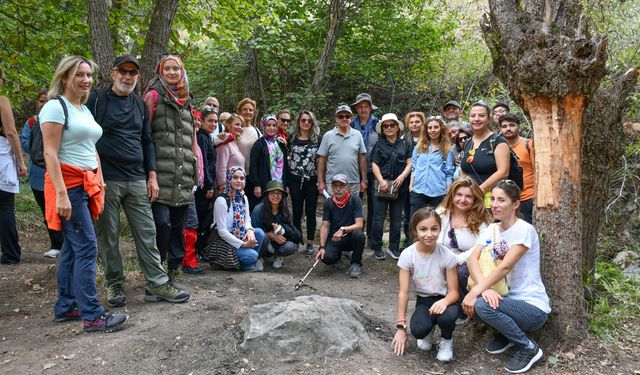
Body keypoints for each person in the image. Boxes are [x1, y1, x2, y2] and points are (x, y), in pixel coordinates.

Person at [88, 55, 190, 307]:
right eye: (123, 72)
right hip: (106, 179)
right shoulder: (97, 99)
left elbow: (147, 140)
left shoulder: (138, 103)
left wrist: (152, 175)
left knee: (147, 232)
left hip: (136, 177)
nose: (127, 77)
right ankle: (114, 285)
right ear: (113, 73)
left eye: (132, 73)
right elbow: (86, 136)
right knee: (109, 235)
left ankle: (157, 282)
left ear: (138, 77)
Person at [40, 55, 128, 332]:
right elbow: (50, 153)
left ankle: (66, 307)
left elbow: (91, 148)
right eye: (79, 74)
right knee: (88, 246)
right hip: (69, 186)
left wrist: (99, 180)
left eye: (89, 75)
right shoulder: (56, 107)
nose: (86, 80)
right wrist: (63, 195)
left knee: (72, 248)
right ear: (65, 77)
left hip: (87, 185)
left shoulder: (84, 109)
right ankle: (93, 315)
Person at [462, 180, 550, 374]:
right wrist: (483, 289)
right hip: (505, 298)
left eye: (501, 200)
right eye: (492, 199)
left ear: (516, 204)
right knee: (478, 298)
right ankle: (509, 334)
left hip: (531, 307)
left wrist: (476, 291)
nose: (494, 204)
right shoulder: (492, 229)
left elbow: (505, 266)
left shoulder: (524, 230)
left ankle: (527, 346)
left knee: (480, 304)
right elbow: (472, 259)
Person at [143, 55, 197, 282]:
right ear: (161, 71)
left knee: (178, 226)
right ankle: (157, 268)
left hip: (183, 175)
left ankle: (173, 270)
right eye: (168, 68)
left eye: (176, 68)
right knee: (161, 223)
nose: (172, 72)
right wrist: (148, 173)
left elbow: (191, 139)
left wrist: (196, 171)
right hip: (159, 175)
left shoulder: (187, 100)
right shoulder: (153, 95)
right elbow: (144, 135)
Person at [391, 207, 459, 362]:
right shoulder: (408, 254)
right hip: (424, 300)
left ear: (440, 229)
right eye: (423, 229)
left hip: (446, 299)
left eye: (434, 229)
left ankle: (446, 340)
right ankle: (428, 329)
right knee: (418, 330)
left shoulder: (447, 255)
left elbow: (454, 292)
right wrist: (401, 327)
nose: (429, 234)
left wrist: (445, 301)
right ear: (415, 231)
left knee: (446, 318)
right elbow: (403, 292)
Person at [436, 177, 491, 323]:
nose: (463, 199)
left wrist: (456, 260)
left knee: (459, 271)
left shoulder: (482, 219)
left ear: (475, 199)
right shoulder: (441, 213)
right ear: (452, 196)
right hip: (442, 257)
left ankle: (463, 310)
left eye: (468, 196)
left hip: (468, 261)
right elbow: (433, 237)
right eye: (459, 195)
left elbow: (481, 245)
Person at [21, 88, 64, 258]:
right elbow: (25, 143)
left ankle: (68, 244)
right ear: (37, 103)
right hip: (38, 175)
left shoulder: (62, 119)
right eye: (41, 100)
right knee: (47, 211)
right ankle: (56, 244)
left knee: (63, 209)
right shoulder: (31, 122)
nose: (44, 103)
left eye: (47, 100)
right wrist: (41, 147)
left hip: (61, 173)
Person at [370, 113, 412, 260]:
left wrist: (402, 176)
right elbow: (374, 163)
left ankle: (393, 248)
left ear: (397, 127)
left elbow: (409, 162)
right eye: (385, 126)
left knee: (396, 218)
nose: (389, 128)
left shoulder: (405, 144)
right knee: (378, 217)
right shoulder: (379, 144)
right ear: (382, 128)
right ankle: (377, 247)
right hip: (382, 186)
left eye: (391, 125)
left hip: (399, 186)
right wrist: (381, 181)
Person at [212, 167, 265, 271]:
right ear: (229, 179)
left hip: (239, 235)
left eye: (242, 178)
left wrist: (249, 230)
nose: (239, 181)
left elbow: (247, 219)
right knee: (252, 255)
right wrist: (243, 244)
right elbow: (222, 232)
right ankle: (246, 262)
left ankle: (248, 260)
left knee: (258, 233)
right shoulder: (221, 200)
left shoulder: (243, 197)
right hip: (224, 242)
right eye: (235, 177)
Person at [0, 69, 28, 265]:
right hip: (1, 156)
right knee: (4, 206)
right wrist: (20, 160)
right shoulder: (2, 100)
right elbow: (10, 131)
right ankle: (10, 253)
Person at [459, 102, 510, 208]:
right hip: (469, 201)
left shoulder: (498, 141)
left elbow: (503, 172)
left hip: (492, 202)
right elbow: (464, 169)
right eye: (473, 115)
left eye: (481, 115)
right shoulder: (468, 142)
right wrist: (464, 190)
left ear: (488, 119)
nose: (476, 119)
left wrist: (478, 191)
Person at [315, 174, 365, 278]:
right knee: (325, 257)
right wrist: (322, 247)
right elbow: (325, 226)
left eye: (341, 186)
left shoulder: (355, 200)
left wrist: (343, 230)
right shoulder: (329, 203)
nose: (338, 189)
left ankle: (355, 263)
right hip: (335, 238)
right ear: (332, 187)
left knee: (359, 235)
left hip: (351, 236)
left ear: (347, 187)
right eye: (335, 186)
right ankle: (336, 258)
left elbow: (359, 224)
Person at [288, 110, 322, 254]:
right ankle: (297, 240)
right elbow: (286, 157)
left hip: (311, 179)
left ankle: (309, 243)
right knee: (296, 211)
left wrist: (321, 180)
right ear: (298, 122)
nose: (306, 123)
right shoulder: (291, 138)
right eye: (303, 120)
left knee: (310, 211)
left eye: (309, 120)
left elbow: (321, 161)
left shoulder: (317, 139)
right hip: (295, 179)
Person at [317, 105, 367, 196]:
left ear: (351, 118)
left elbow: (362, 157)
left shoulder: (357, 135)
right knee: (334, 209)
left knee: (352, 208)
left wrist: (364, 180)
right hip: (333, 182)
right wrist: (320, 181)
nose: (344, 119)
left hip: (353, 182)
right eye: (341, 116)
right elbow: (322, 159)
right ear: (336, 119)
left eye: (347, 116)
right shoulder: (328, 136)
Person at [251, 180, 301, 270]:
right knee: (262, 236)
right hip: (263, 242)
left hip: (279, 242)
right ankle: (258, 257)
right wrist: (272, 236)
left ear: (282, 196)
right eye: (272, 193)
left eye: (278, 193)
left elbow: (291, 231)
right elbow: (254, 232)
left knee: (290, 246)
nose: (275, 196)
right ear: (267, 195)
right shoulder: (258, 210)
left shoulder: (287, 211)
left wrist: (282, 232)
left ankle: (278, 256)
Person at [409, 116, 455, 215]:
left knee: (438, 224)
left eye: (436, 127)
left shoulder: (447, 149)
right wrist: (411, 186)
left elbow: (449, 173)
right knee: (415, 223)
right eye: (430, 128)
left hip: (439, 193)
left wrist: (448, 192)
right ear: (426, 130)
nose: (432, 130)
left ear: (441, 129)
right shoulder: (419, 147)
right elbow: (414, 167)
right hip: (418, 191)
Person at [350, 93, 379, 245]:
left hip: (374, 170)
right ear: (356, 109)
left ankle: (372, 240)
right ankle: (356, 237)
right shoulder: (350, 124)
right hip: (355, 170)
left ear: (370, 108)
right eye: (360, 107)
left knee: (374, 205)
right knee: (355, 204)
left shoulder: (378, 125)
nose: (363, 109)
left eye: (366, 106)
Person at [499, 113, 534, 223]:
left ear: (519, 127)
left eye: (511, 125)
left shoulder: (528, 144)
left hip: (527, 197)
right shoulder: (498, 148)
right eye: (504, 126)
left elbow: (538, 171)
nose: (508, 129)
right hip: (506, 199)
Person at [249, 115, 289, 202]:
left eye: (274, 125)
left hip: (280, 184)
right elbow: (253, 166)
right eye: (268, 125)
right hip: (265, 184)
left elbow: (285, 165)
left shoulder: (280, 144)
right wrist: (256, 185)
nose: (272, 128)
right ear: (263, 126)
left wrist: (286, 184)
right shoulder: (259, 144)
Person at [194, 106, 217, 257]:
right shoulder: (201, 137)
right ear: (201, 121)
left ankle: (200, 248)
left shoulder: (207, 136)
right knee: (201, 219)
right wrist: (209, 186)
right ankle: (197, 249)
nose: (214, 124)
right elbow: (203, 165)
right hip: (203, 186)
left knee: (205, 218)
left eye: (215, 121)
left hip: (207, 184)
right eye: (210, 121)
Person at [401, 112, 425, 249]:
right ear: (407, 124)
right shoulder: (404, 139)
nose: (415, 124)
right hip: (407, 181)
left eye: (417, 121)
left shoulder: (428, 138)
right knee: (408, 213)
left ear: (422, 123)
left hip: (424, 181)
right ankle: (408, 241)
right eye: (412, 122)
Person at [235, 98, 262, 208]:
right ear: (240, 111)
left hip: (253, 177)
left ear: (254, 113)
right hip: (237, 176)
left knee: (252, 207)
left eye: (251, 110)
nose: (248, 112)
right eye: (245, 109)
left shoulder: (257, 131)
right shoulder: (236, 130)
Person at [215, 114, 245, 191]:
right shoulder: (224, 142)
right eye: (237, 124)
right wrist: (222, 185)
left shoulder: (234, 144)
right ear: (228, 126)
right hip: (227, 189)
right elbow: (220, 166)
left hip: (236, 188)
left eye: (242, 126)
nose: (240, 128)